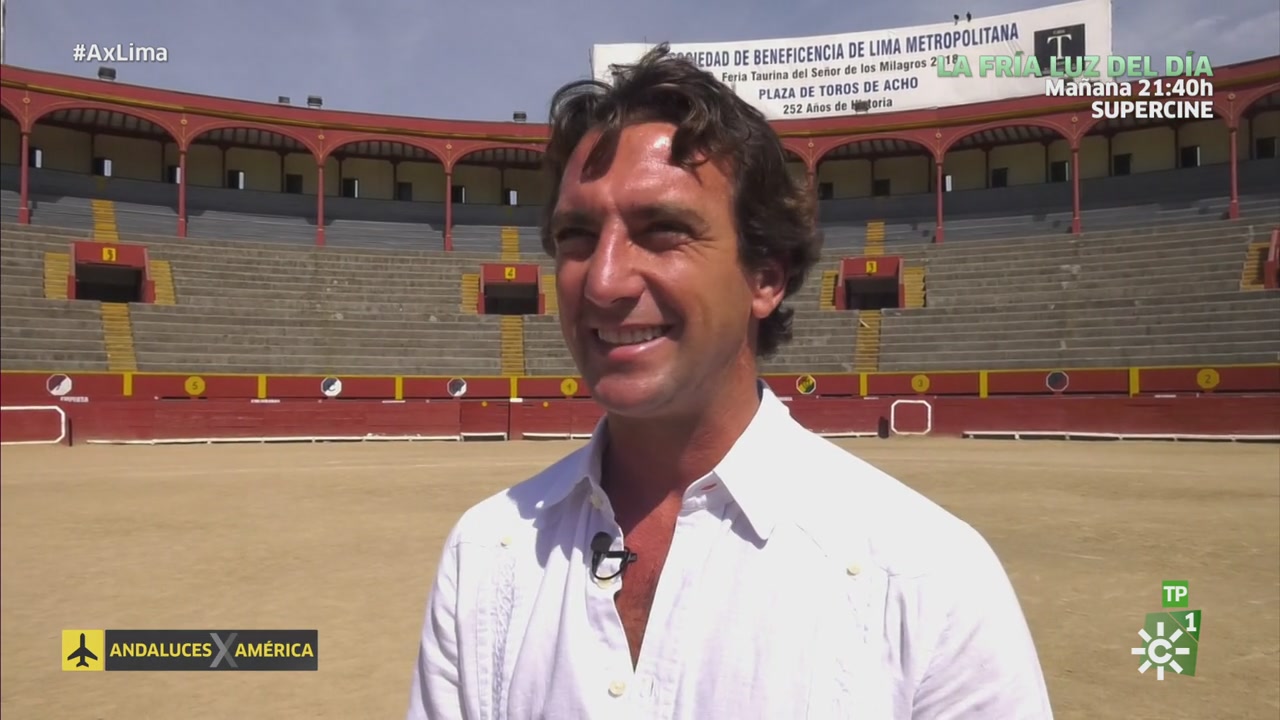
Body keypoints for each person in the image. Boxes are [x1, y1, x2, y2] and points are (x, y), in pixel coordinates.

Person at [407, 44, 1053, 719]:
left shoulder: (927, 576)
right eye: (576, 236)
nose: (603, 281)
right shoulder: (484, 554)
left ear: (765, 278)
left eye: (663, 231)